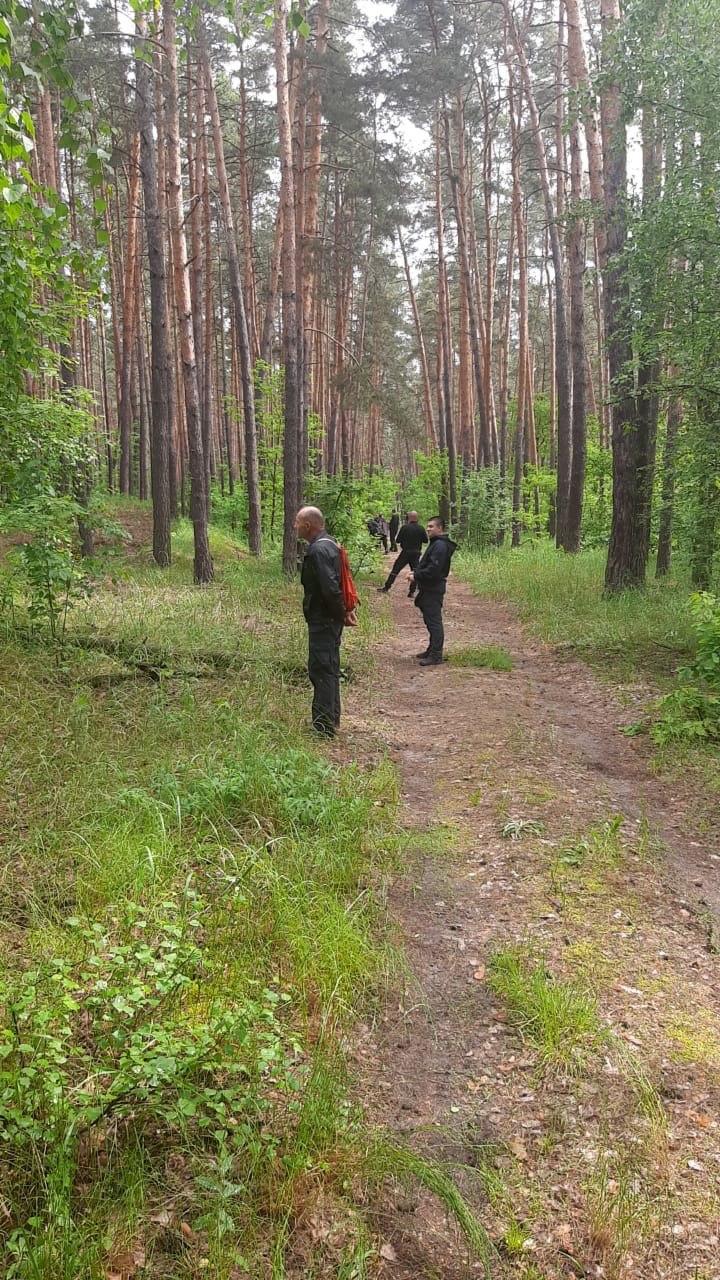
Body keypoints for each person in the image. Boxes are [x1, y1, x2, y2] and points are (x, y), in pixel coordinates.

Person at [295, 506, 356, 737]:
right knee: (329, 667)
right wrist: (343, 612)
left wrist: (341, 612)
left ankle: (323, 727)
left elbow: (329, 587)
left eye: (297, 522)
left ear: (308, 525)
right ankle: (331, 718)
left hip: (323, 619)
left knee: (321, 669)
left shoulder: (319, 550)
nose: (295, 526)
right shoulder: (330, 543)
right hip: (330, 618)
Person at [411, 515, 457, 665]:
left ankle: (436, 655)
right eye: (428, 526)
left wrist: (416, 575)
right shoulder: (436, 544)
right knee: (429, 619)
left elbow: (434, 569)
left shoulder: (440, 546)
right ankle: (432, 649)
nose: (428, 529)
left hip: (434, 587)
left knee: (434, 621)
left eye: (431, 526)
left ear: (440, 528)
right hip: (428, 587)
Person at [378, 510, 428, 594]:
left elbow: (397, 540)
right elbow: (426, 541)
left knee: (395, 570)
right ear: (417, 518)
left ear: (409, 518)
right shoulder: (421, 528)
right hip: (416, 553)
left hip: (405, 553)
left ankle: (386, 587)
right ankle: (411, 592)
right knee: (415, 572)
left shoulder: (405, 528)